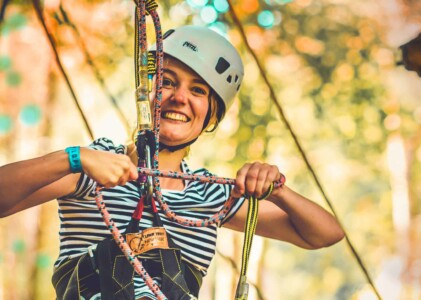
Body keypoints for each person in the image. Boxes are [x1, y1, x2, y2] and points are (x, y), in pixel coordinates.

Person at [0, 26, 344, 299]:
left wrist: (277, 190)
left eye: (198, 90)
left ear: (211, 115)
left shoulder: (210, 198)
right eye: (166, 82)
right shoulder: (95, 167)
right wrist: (72, 159)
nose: (179, 97)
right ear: (146, 94)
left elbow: (324, 235)